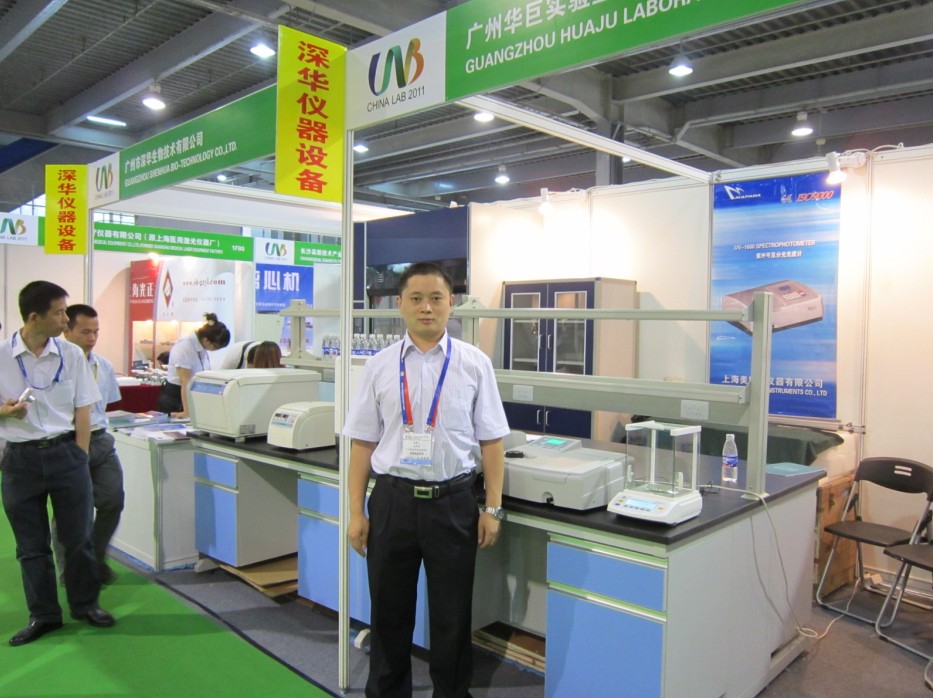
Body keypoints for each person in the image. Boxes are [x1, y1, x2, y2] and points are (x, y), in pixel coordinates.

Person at [343, 262, 510, 698]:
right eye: (416, 298)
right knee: (388, 613)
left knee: (452, 616)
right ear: (399, 304)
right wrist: (356, 512)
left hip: (453, 504)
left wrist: (493, 508)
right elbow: (362, 444)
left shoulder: (474, 364)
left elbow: (492, 441)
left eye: (436, 298)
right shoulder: (378, 366)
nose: (426, 307)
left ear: (451, 303)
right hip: (392, 502)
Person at [0, 281, 115, 647]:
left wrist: (79, 455)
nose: (66, 319)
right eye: (60, 312)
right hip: (20, 460)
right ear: (35, 317)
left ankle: (85, 605)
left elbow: (83, 408)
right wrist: (6, 411)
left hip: (66, 455)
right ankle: (44, 615)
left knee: (78, 539)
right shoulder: (2, 355)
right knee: (31, 546)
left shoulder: (71, 354)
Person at [53, 304, 125, 585]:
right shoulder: (54, 366)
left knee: (113, 500)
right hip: (68, 442)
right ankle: (69, 571)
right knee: (69, 511)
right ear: (67, 330)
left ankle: (93, 558)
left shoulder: (103, 366)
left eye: (96, 332)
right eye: (85, 332)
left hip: (101, 440)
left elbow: (104, 406)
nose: (92, 338)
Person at [157, 312, 230, 417]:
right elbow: (185, 381)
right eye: (216, 347)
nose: (216, 350)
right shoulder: (185, 346)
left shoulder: (202, 347)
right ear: (206, 340)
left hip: (190, 394)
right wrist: (187, 411)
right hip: (175, 398)